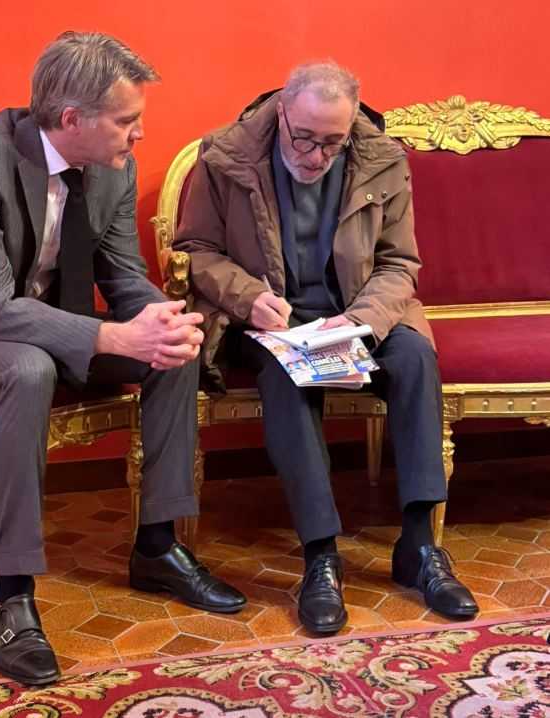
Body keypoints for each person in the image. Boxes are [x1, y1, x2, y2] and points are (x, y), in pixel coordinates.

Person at [0, 31, 246, 686]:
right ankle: (12, 595)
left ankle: (158, 547)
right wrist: (114, 338)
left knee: (172, 352)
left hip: (40, 316)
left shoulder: (113, 167)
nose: (139, 134)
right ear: (72, 119)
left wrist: (160, 319)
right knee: (26, 368)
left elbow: (122, 276)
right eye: (126, 120)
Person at [173, 61, 477, 635]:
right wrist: (249, 298)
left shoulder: (383, 158)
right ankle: (321, 556)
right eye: (304, 139)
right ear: (282, 113)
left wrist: (360, 322)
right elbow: (197, 251)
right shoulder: (225, 155)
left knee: (415, 356)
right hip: (270, 319)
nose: (316, 157)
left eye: (332, 143)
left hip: (357, 313)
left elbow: (399, 263)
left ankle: (418, 547)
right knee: (284, 372)